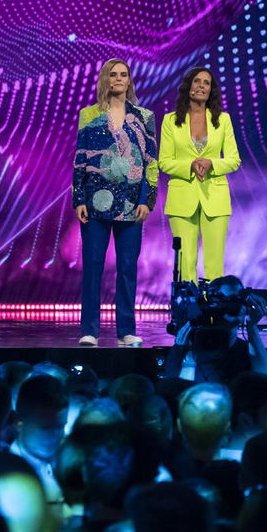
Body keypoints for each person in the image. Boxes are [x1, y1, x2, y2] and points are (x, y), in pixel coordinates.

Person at [73, 58, 158, 348]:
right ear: (105, 80)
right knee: (93, 266)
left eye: (123, 75)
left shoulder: (145, 116)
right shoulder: (89, 114)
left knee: (127, 268)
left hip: (132, 203)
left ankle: (126, 330)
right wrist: (78, 199)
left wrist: (148, 199)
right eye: (113, 75)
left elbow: (151, 162)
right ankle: (89, 330)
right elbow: (80, 158)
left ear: (130, 80)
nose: (118, 79)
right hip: (95, 203)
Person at [158, 66, 241, 284]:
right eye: (197, 81)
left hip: (215, 198)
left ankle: (213, 316)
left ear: (211, 90)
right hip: (181, 199)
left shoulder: (223, 120)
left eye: (206, 83)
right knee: (186, 264)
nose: (201, 86)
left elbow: (234, 160)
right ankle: (188, 315)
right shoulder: (171, 120)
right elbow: (164, 162)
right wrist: (190, 165)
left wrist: (211, 163)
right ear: (188, 86)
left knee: (214, 266)